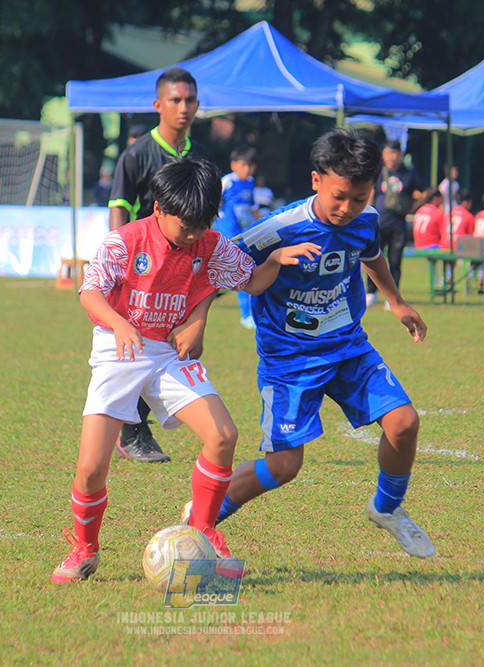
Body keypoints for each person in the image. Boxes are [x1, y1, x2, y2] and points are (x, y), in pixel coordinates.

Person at [50, 158, 321, 583]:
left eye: (202, 225)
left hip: (169, 355)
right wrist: (120, 324)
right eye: (186, 226)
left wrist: (275, 259)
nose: (194, 235)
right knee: (90, 468)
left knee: (223, 435)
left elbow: (250, 281)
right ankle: (84, 548)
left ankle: (204, 530)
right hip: (118, 350)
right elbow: (90, 292)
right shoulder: (124, 241)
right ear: (159, 209)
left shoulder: (210, 244)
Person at [181, 128, 435, 559]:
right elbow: (218, 268)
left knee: (404, 422)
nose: (347, 208)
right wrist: (197, 321)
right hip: (290, 358)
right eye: (339, 196)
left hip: (348, 345)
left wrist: (395, 301)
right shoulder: (278, 229)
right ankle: (199, 519)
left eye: (359, 198)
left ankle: (387, 508)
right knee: (284, 466)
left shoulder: (366, 219)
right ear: (316, 180)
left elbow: (372, 254)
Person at [107, 67, 212, 463]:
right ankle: (132, 430)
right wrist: (121, 264)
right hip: (143, 271)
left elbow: (208, 218)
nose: (184, 108)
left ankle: (141, 424)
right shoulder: (137, 155)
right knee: (139, 346)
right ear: (158, 105)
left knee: (176, 344)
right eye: (175, 100)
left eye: (190, 100)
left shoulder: (203, 157)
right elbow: (119, 210)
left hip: (187, 269)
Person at [366, 140, 425, 308]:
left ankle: (392, 297)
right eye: (387, 153)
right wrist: (367, 213)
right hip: (378, 223)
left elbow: (426, 190)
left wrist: (413, 207)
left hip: (398, 225)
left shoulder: (409, 174)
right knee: (372, 258)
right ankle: (371, 292)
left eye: (394, 153)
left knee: (395, 261)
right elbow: (371, 192)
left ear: (400, 154)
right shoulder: (379, 172)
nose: (391, 157)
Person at [216, 146, 260, 329]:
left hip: (242, 235)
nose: (247, 169)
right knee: (241, 271)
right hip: (225, 234)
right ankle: (246, 316)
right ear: (234, 165)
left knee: (242, 271)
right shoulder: (227, 182)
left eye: (250, 165)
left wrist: (269, 224)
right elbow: (212, 203)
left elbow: (253, 208)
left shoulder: (250, 182)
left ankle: (248, 315)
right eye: (243, 165)